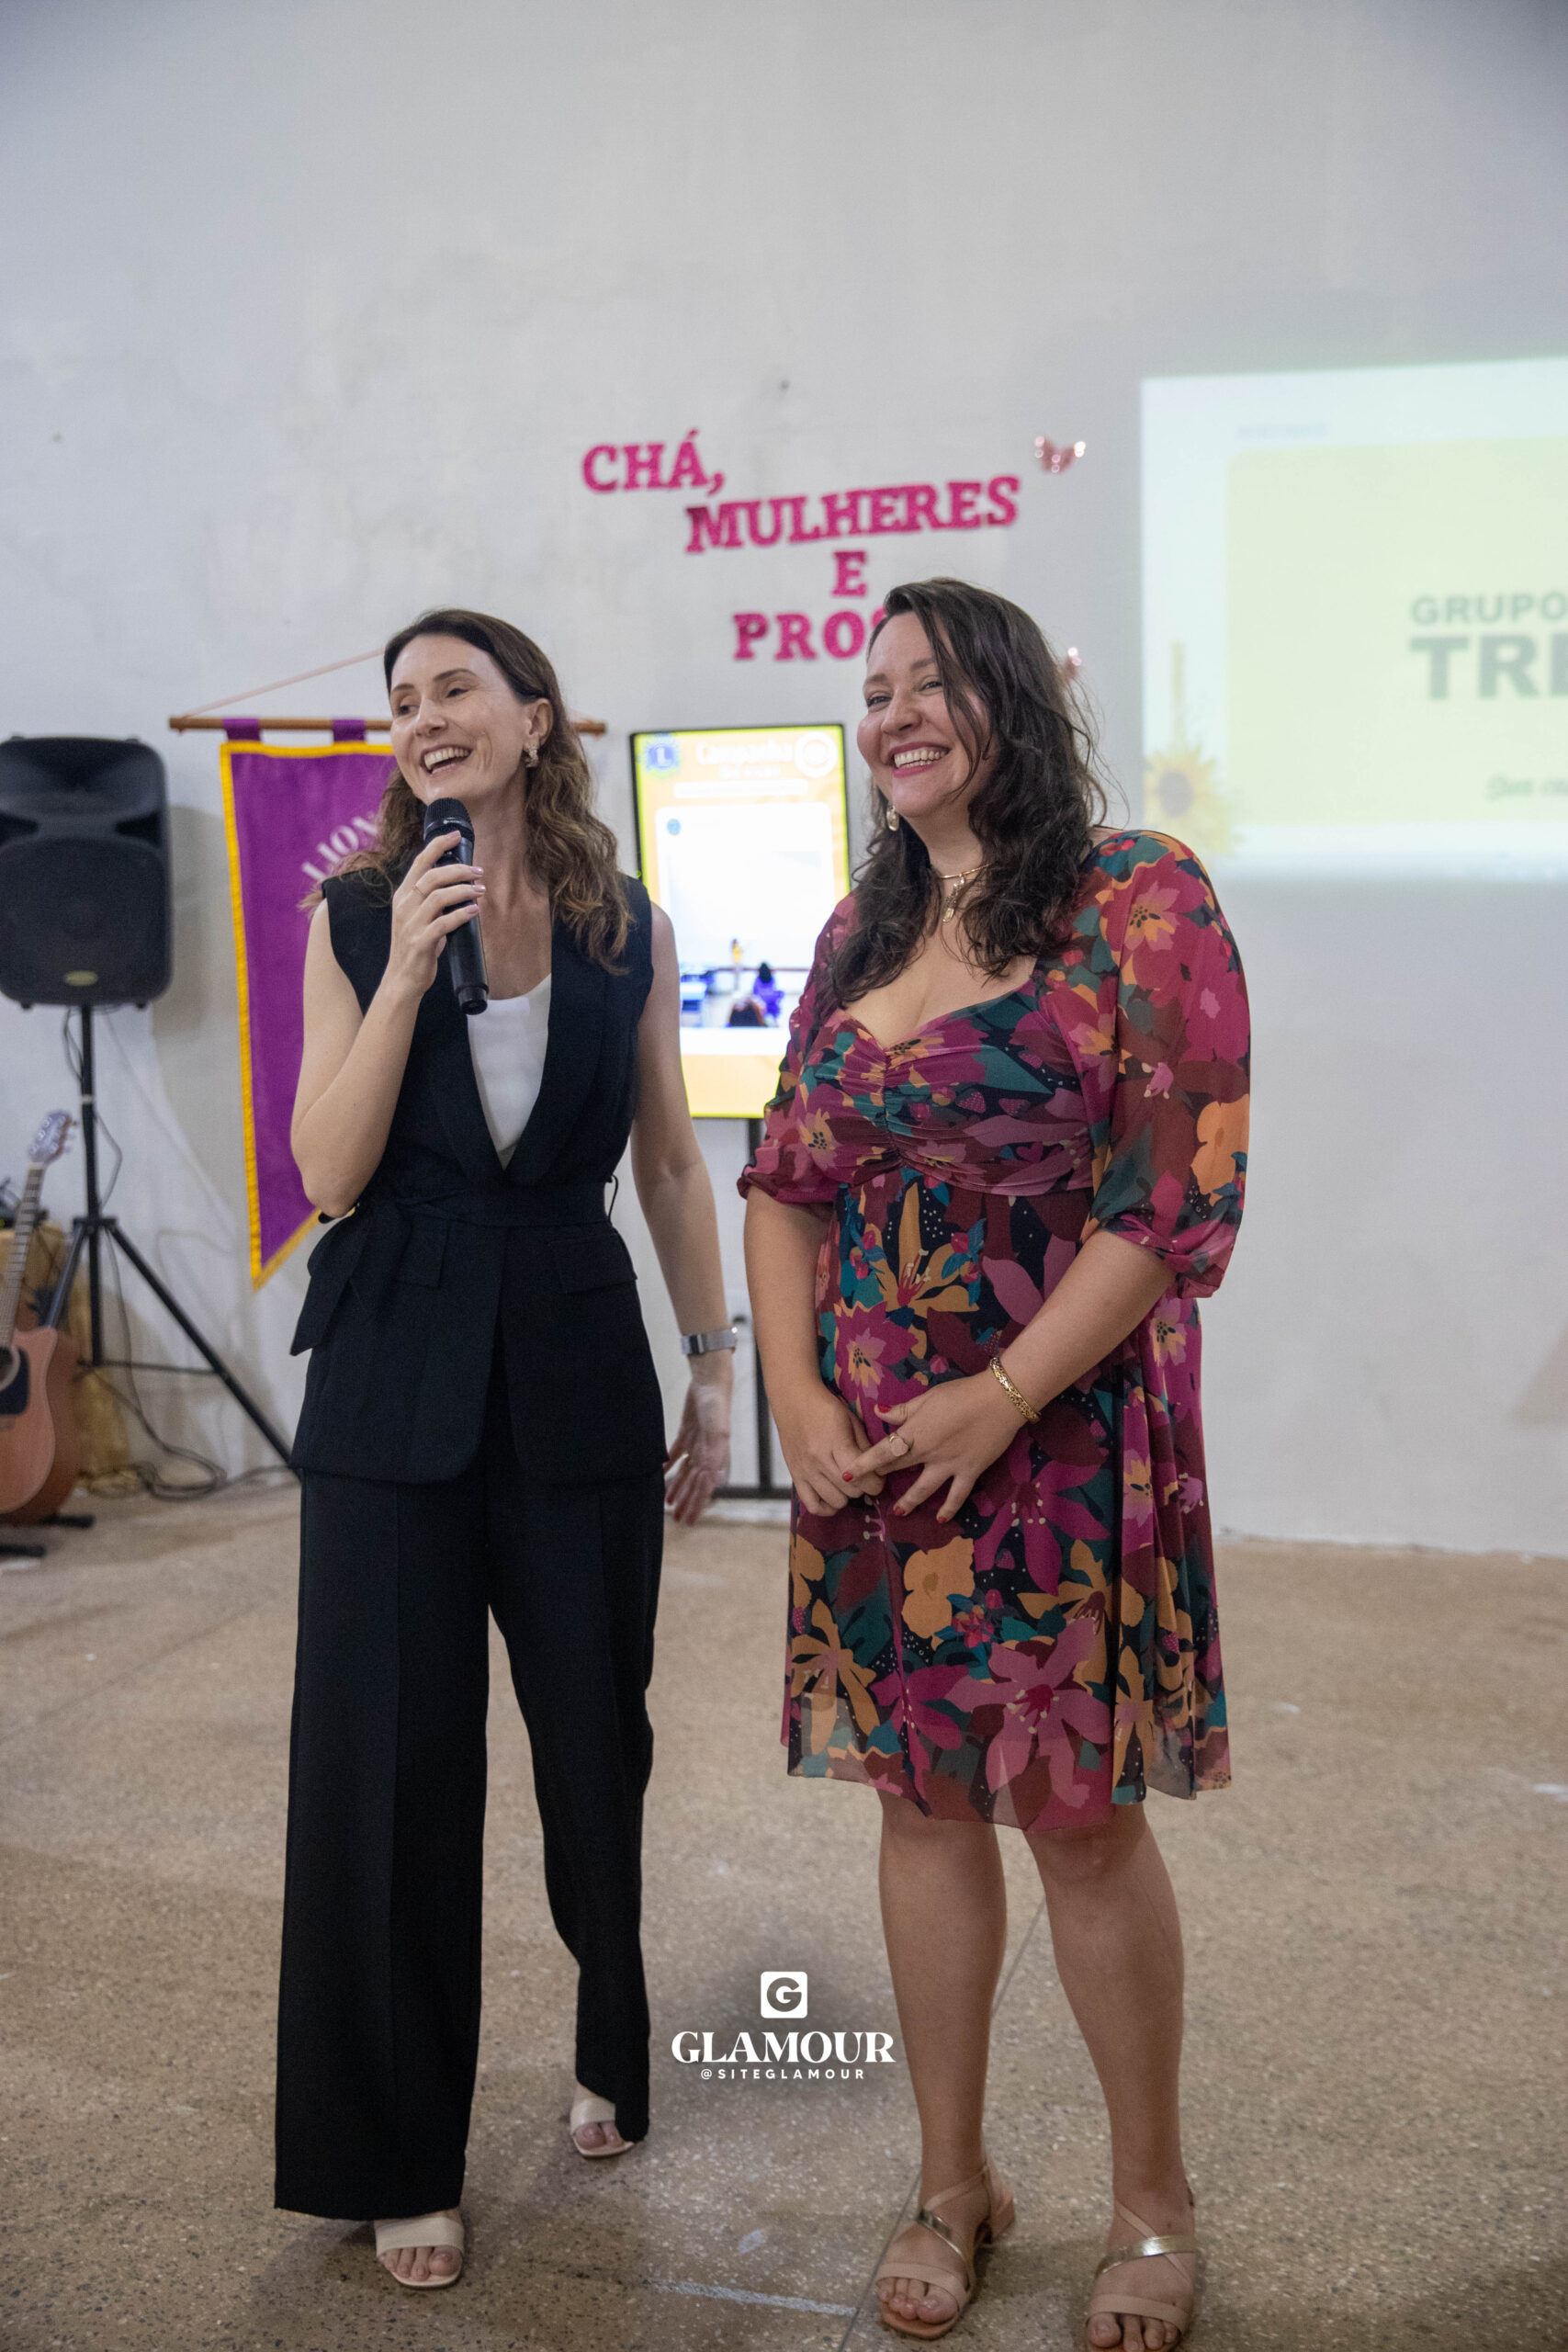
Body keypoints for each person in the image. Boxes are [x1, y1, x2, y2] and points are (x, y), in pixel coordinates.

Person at [740, 580, 1248, 2349]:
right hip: (877, 1453)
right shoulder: (858, 930)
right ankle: (952, 2180)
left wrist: (1006, 1394)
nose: (893, 714)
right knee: (919, 1806)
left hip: (1063, 1438)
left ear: (1014, 698)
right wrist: (795, 1396)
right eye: (873, 689)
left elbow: (1176, 1194)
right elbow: (785, 1182)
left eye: (930, 681)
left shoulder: (1139, 894)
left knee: (1080, 1823)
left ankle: (1153, 2203)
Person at [276, 608, 734, 2288]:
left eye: (454, 687)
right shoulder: (352, 916)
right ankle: (397, 2152)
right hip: (392, 1376)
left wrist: (713, 1369)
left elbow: (669, 1163)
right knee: (390, 1771)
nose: (422, 716)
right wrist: (406, 971)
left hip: (573, 1363)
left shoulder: (628, 928)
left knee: (596, 1738)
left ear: (537, 717)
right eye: (400, 700)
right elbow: (328, 1171)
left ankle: (611, 2038)